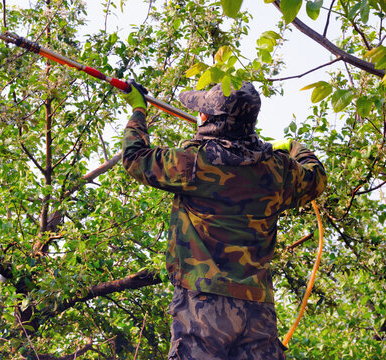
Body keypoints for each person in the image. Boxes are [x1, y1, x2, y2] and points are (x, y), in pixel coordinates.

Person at [121, 80, 327, 360]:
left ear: (205, 118)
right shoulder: (278, 171)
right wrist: (291, 146)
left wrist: (138, 110)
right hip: (258, 311)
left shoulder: (194, 162)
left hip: (203, 306)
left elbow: (135, 158)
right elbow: (316, 175)